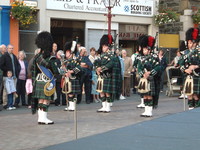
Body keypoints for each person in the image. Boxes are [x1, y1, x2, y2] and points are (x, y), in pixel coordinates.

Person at [31, 31, 59, 125]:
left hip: (38, 80)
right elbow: (55, 71)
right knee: (46, 100)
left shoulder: (37, 57)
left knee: (40, 100)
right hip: (47, 81)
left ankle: (40, 118)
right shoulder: (51, 58)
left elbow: (32, 69)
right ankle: (44, 118)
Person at [94, 34, 121, 113]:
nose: (103, 48)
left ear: (108, 46)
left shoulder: (112, 55)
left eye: (104, 46)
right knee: (101, 91)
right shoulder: (101, 55)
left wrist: (101, 68)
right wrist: (96, 68)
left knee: (107, 92)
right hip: (101, 76)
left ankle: (108, 106)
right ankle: (103, 106)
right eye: (102, 46)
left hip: (108, 76)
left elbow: (111, 64)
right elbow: (95, 62)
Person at [137, 35, 160, 117]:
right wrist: (142, 74)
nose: (144, 51)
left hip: (150, 79)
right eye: (143, 49)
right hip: (143, 79)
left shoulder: (154, 57)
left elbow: (158, 67)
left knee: (149, 95)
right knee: (144, 95)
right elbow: (139, 68)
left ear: (149, 50)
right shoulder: (140, 58)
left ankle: (149, 111)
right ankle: (145, 110)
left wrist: (149, 73)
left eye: (146, 49)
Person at [178, 28, 200, 110]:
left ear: (195, 43)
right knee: (189, 94)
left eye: (191, 42)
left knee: (196, 95)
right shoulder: (185, 53)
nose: (189, 44)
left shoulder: (198, 52)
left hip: (197, 75)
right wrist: (185, 69)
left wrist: (195, 66)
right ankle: (190, 110)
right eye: (188, 42)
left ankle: (197, 111)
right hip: (188, 76)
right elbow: (181, 64)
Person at [62, 41, 82, 111]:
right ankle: (70, 105)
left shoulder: (75, 60)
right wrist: (64, 71)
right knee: (68, 93)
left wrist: (72, 71)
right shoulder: (66, 61)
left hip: (73, 78)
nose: (65, 53)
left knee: (71, 93)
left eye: (67, 52)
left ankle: (72, 106)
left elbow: (79, 68)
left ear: (71, 53)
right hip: (68, 79)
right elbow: (63, 69)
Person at [0, 44, 20, 109]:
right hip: (6, 76)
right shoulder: (4, 56)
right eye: (10, 48)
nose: (11, 49)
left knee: (13, 90)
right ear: (7, 49)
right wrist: (7, 71)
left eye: (12, 48)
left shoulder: (14, 56)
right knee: (6, 90)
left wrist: (17, 71)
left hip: (14, 76)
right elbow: (1, 65)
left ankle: (12, 104)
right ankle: (5, 104)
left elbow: (18, 65)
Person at [0, 44, 7, 110]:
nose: (6, 49)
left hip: (2, 74)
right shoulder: (1, 56)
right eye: (4, 48)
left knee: (1, 89)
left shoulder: (4, 55)